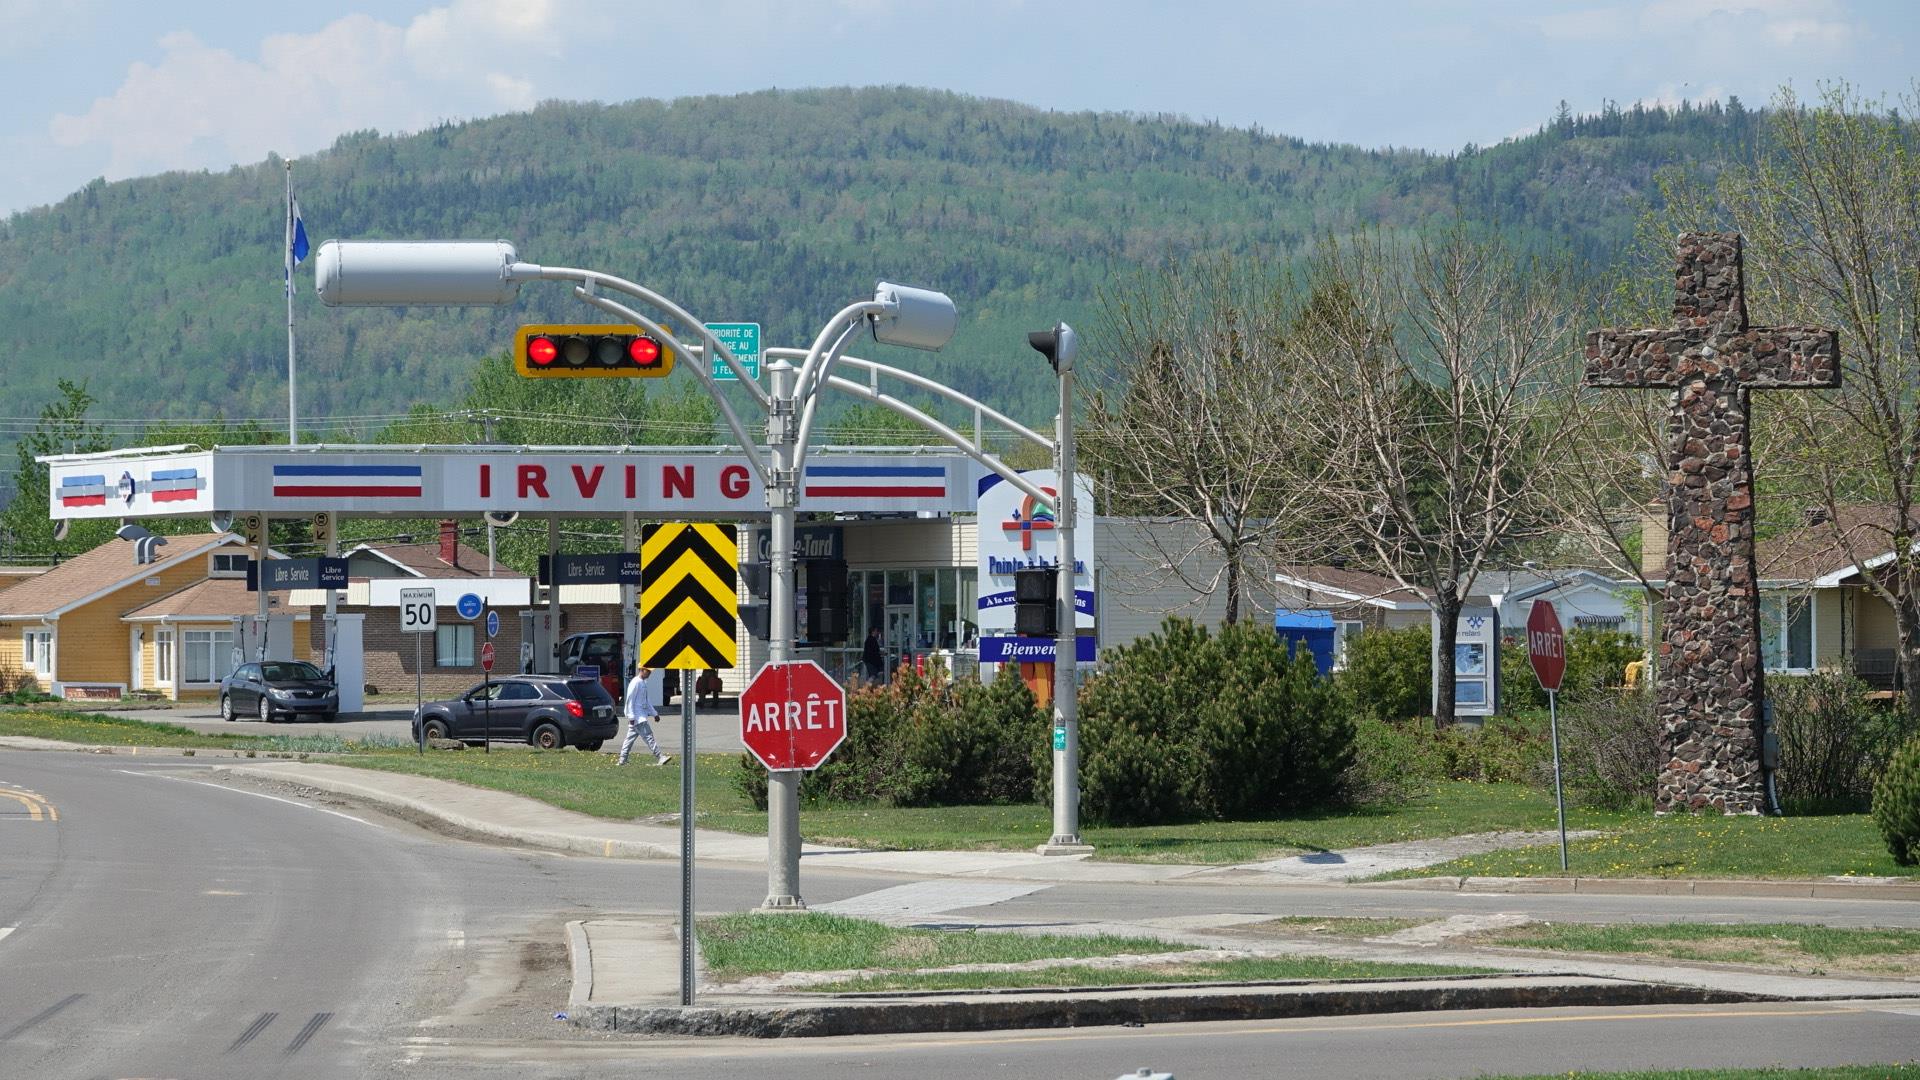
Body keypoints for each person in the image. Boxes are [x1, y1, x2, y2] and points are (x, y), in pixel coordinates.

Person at [617, 664, 671, 766]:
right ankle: (660, 756)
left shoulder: (642, 683)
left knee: (629, 739)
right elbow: (630, 700)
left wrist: (654, 713)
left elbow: (647, 701)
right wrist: (631, 716)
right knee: (648, 736)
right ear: (641, 670)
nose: (650, 673)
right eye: (648, 671)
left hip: (639, 716)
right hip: (638, 717)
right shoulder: (635, 682)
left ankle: (622, 760)